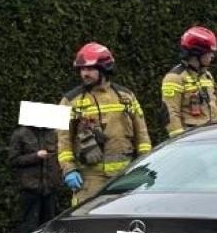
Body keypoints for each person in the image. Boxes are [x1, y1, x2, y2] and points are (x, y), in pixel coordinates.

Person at [57, 43, 152, 206]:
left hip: (125, 174)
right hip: (90, 178)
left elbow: (142, 135)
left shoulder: (126, 96)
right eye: (81, 69)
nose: (84, 73)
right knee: (88, 223)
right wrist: (69, 170)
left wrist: (146, 163)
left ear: (104, 69)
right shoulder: (69, 100)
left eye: (89, 69)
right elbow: (62, 141)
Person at [162, 25, 217, 137]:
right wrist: (180, 142)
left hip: (213, 136)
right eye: (208, 52)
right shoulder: (175, 78)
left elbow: (216, 105)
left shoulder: (207, 76)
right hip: (192, 140)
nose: (212, 56)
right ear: (196, 53)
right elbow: (171, 114)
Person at [8, 121, 62, 233]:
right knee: (30, 227)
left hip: (50, 187)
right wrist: (35, 156)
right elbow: (13, 160)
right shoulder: (20, 134)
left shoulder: (53, 133)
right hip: (30, 188)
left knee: (49, 228)